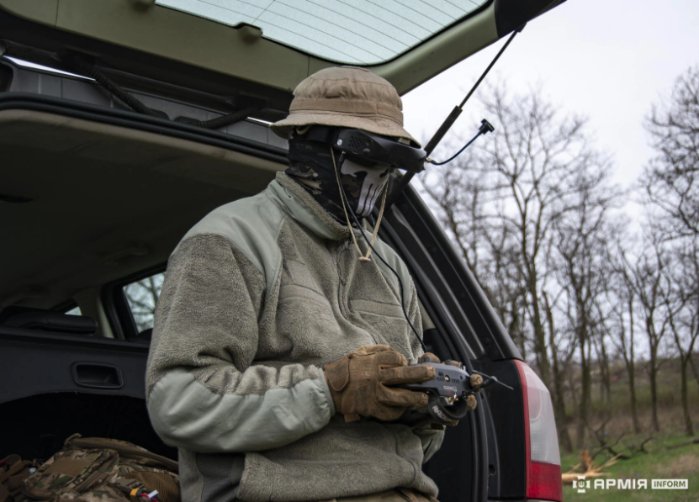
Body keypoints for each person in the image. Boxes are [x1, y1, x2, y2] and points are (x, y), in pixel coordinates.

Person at [146, 66, 449, 502]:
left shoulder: (389, 265)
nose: (378, 174)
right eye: (366, 154)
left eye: (391, 161)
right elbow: (178, 404)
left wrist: (428, 405)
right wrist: (330, 390)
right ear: (306, 143)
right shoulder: (229, 240)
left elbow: (418, 444)